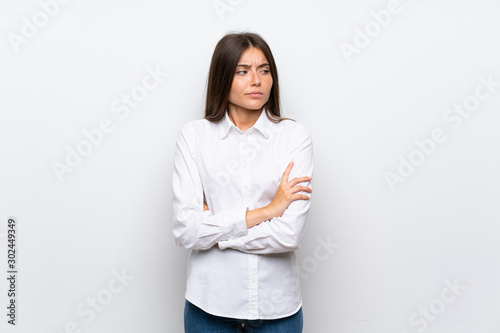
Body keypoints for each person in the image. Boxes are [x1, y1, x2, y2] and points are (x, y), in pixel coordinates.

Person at [172, 32, 313, 333]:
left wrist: (216, 234)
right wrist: (267, 211)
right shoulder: (194, 137)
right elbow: (186, 230)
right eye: (242, 71)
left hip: (278, 310)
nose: (257, 80)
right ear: (223, 77)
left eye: (264, 70)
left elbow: (289, 235)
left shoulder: (293, 137)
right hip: (209, 305)